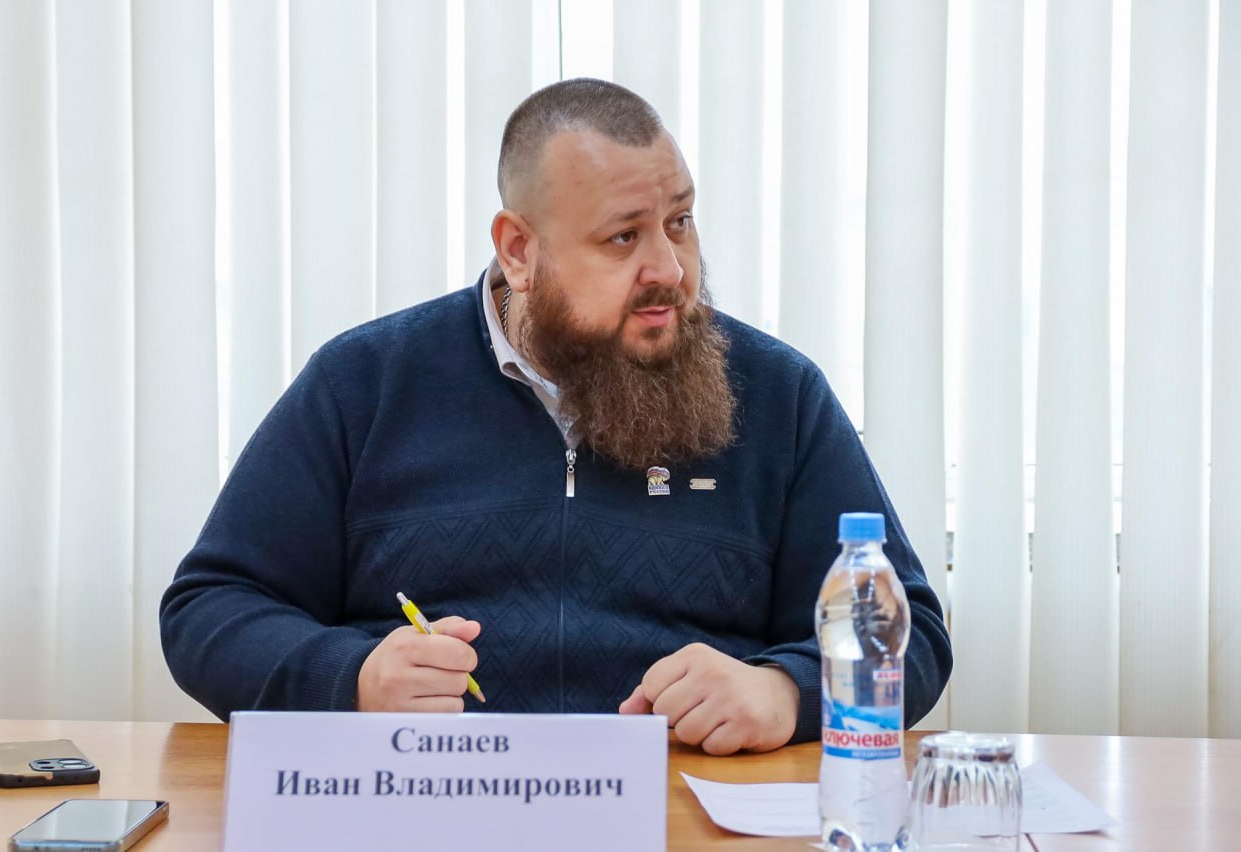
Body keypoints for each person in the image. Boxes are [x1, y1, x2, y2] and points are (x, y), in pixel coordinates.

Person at [160, 78, 951, 756]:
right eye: (623, 237)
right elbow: (210, 609)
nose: (670, 269)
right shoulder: (365, 384)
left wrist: (785, 692)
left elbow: (909, 631)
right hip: (433, 811)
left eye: (679, 221)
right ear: (518, 251)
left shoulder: (778, 394)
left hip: (683, 814)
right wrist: (354, 679)